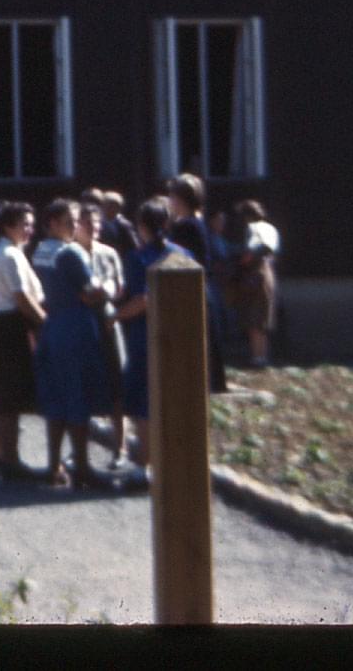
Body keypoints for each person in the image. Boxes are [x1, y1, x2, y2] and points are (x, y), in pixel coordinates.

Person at [31, 200, 114, 490]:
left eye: (76, 221)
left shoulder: (41, 251)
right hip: (76, 326)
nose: (75, 226)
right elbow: (92, 292)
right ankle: (82, 466)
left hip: (53, 324)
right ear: (52, 222)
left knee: (56, 397)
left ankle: (54, 464)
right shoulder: (71, 253)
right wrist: (107, 288)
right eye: (70, 221)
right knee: (78, 396)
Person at [116, 196, 192, 490]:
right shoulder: (182, 255)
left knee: (143, 405)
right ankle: (176, 464)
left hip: (144, 337)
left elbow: (142, 300)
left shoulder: (137, 258)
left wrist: (115, 317)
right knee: (174, 399)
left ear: (141, 226)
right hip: (178, 335)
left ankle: (144, 467)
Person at [0, 203, 46, 479]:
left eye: (31, 224)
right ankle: (11, 458)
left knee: (2, 391)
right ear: (8, 226)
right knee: (11, 393)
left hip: (1, 321)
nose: (29, 230)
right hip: (13, 323)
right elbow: (22, 297)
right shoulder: (10, 255)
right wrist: (44, 321)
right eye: (24, 224)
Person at [77, 202, 130, 470]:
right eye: (87, 223)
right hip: (81, 322)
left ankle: (120, 448)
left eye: (96, 223)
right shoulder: (70, 254)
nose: (93, 228)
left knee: (116, 381)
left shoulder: (109, 253)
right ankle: (80, 451)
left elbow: (119, 287)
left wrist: (107, 291)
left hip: (107, 320)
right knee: (83, 384)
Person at [166, 173, 229, 393]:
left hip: (190, 287)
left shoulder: (185, 226)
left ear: (180, 198)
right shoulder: (197, 222)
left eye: (172, 196)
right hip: (203, 286)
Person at [230, 200, 282, 368]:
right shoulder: (271, 228)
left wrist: (243, 261)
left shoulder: (254, 228)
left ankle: (257, 356)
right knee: (262, 318)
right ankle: (262, 355)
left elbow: (256, 249)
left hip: (255, 273)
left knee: (254, 318)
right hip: (268, 273)